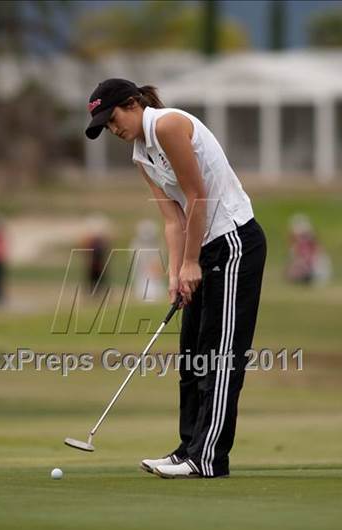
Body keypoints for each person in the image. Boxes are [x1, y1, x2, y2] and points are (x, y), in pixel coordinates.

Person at [85, 79, 267, 479]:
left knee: (219, 356)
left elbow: (198, 196)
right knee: (191, 355)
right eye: (104, 125)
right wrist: (176, 271)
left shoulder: (167, 125)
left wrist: (190, 263)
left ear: (133, 104)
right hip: (200, 247)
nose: (112, 129)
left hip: (234, 242)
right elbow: (173, 218)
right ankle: (188, 447)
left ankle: (208, 457)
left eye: (112, 118)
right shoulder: (140, 153)